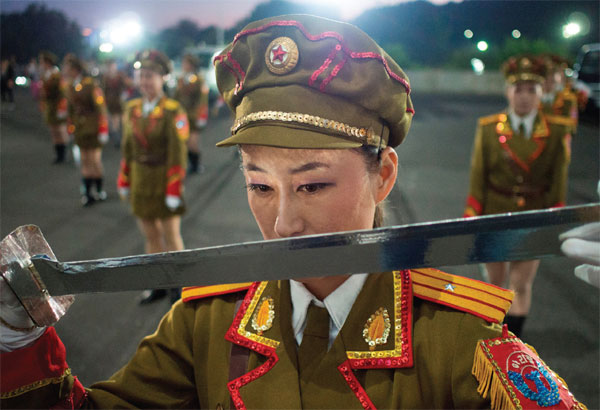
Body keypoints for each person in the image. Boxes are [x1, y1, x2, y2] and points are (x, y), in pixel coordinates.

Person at [1, 16, 586, 410]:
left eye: (313, 186)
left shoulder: (461, 344)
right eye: (259, 185)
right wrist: (14, 344)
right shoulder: (203, 324)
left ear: (383, 176)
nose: (282, 223)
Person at [463, 54, 573, 337]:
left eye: (531, 90)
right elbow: (478, 177)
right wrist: (472, 215)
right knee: (493, 285)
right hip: (494, 215)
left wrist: (554, 220)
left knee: (521, 285)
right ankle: (493, 342)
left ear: (542, 93)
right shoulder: (488, 128)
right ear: (507, 91)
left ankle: (514, 345)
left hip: (532, 217)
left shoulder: (556, 131)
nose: (524, 97)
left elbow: (557, 183)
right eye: (518, 89)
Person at [116, 49, 189, 305]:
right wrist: (124, 179)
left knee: (171, 235)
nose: (145, 81)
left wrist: (173, 189)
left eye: (150, 76)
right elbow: (128, 148)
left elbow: (178, 154)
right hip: (140, 179)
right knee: (151, 236)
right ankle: (158, 284)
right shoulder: (132, 108)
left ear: (162, 79)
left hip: (163, 179)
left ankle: (178, 287)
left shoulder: (173, 110)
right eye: (141, 75)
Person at [62, 54, 109, 206]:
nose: (65, 70)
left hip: (93, 127)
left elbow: (100, 108)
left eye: (67, 68)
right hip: (80, 129)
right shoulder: (69, 86)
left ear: (75, 69)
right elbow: (70, 109)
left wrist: (103, 129)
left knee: (94, 160)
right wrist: (70, 127)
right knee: (84, 160)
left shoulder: (90, 85)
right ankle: (87, 193)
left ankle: (99, 190)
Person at [173, 53, 209, 174]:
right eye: (184, 63)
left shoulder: (199, 80)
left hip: (194, 116)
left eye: (186, 63)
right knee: (183, 140)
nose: (184, 65)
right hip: (181, 116)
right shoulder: (180, 79)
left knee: (193, 142)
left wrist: (201, 116)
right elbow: (176, 97)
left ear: (192, 65)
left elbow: (203, 99)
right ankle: (187, 164)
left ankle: (196, 164)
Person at [38, 51, 69, 164]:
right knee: (53, 130)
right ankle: (58, 153)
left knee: (59, 129)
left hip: (57, 105)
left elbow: (62, 92)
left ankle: (63, 153)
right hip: (49, 105)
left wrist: (62, 107)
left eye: (42, 61)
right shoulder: (46, 74)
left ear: (48, 62)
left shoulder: (56, 74)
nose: (41, 64)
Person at [540, 54, 579, 134]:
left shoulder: (568, 99)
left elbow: (572, 125)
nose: (548, 79)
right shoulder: (534, 98)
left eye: (552, 75)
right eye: (545, 75)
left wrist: (548, 120)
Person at [101, 59, 130, 148]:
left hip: (121, 102)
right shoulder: (105, 77)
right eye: (109, 66)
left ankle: (124, 139)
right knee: (114, 123)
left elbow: (127, 85)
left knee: (124, 121)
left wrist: (125, 94)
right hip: (111, 102)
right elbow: (103, 90)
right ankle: (118, 141)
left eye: (112, 65)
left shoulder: (120, 75)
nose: (110, 68)